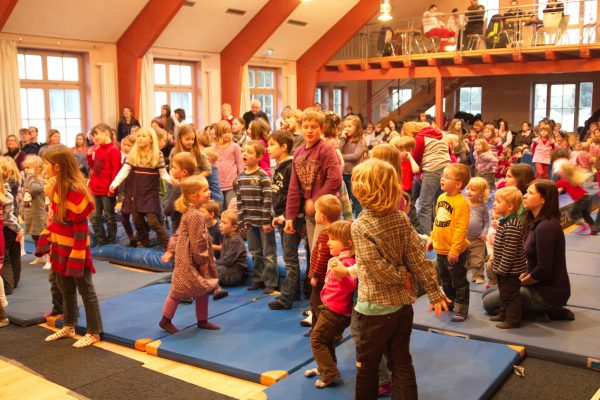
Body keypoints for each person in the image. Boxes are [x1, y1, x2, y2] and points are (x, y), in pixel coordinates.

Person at [351, 158, 449, 399]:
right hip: (403, 307)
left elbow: (375, 269)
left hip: (374, 309)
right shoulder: (400, 218)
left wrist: (400, 275)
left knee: (367, 367)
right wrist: (434, 292)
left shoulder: (361, 225)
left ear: (362, 192)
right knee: (401, 362)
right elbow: (420, 260)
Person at [37, 146, 103, 347]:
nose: (43, 168)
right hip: (60, 247)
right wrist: (48, 234)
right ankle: (69, 325)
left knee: (85, 289)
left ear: (57, 166)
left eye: (45, 164)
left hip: (76, 250)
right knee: (65, 288)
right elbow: (59, 219)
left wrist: (78, 253)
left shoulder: (74, 190)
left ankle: (94, 331)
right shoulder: (57, 187)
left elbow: (80, 226)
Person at [483, 179, 573, 321]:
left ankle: (548, 310)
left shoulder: (547, 227)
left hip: (548, 292)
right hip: (534, 283)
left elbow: (543, 269)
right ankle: (539, 310)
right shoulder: (532, 222)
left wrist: (521, 282)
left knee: (489, 304)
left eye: (530, 193)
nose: (525, 196)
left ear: (543, 199)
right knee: (487, 295)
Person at [159, 175, 220, 333]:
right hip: (190, 259)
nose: (209, 193)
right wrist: (202, 261)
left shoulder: (192, 212)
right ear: (193, 196)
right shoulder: (196, 215)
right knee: (178, 290)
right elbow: (197, 242)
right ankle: (165, 320)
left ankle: (202, 320)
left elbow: (179, 233)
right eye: (205, 190)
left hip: (188, 257)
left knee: (203, 287)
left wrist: (170, 250)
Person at [304, 220, 357, 388]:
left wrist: (341, 273)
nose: (328, 242)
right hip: (329, 307)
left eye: (333, 239)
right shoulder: (339, 259)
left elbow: (350, 286)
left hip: (336, 311)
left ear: (347, 243)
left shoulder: (347, 263)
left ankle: (330, 374)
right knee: (325, 341)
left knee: (317, 339)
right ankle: (326, 367)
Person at [285, 108, 343, 252]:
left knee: (324, 253)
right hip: (311, 213)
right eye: (306, 127)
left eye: (314, 127)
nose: (309, 131)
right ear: (301, 127)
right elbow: (293, 187)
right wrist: (290, 216)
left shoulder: (326, 149)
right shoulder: (298, 152)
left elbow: (335, 179)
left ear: (322, 128)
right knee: (314, 253)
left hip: (326, 210)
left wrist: (316, 200)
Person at [109, 127, 172, 248]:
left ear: (151, 140)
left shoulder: (157, 155)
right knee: (137, 219)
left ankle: (167, 243)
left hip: (151, 193)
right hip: (138, 193)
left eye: (144, 136)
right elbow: (125, 170)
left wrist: (171, 181)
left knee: (152, 221)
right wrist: (115, 183)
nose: (140, 138)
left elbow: (163, 173)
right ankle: (145, 242)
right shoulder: (134, 155)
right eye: (139, 136)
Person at [428, 163, 471, 322]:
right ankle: (451, 301)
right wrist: (432, 238)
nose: (442, 179)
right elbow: (437, 221)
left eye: (447, 177)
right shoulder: (441, 198)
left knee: (458, 280)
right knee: (445, 278)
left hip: (455, 250)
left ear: (458, 183)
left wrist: (455, 250)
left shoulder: (461, 203)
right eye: (442, 176)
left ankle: (461, 307)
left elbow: (461, 229)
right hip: (441, 249)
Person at [237, 140, 278, 294]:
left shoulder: (263, 177)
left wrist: (266, 221)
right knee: (255, 251)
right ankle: (258, 279)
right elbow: (240, 200)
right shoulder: (241, 177)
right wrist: (241, 221)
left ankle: (270, 282)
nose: (245, 154)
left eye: (249, 152)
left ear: (260, 156)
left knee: (268, 252)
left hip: (263, 222)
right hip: (250, 221)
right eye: (243, 151)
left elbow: (268, 200)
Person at [268, 131, 302, 310]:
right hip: (282, 217)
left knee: (290, 259)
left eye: (272, 145)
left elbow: (293, 194)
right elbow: (279, 194)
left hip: (290, 219)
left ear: (283, 147)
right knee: (290, 256)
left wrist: (286, 215)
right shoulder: (280, 167)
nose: (268, 148)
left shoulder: (289, 167)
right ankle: (294, 292)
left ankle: (286, 297)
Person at [490, 187, 527, 329]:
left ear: (510, 206)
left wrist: (502, 269)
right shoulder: (505, 222)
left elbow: (509, 252)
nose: (495, 204)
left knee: (511, 295)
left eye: (498, 201)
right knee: (503, 292)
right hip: (502, 268)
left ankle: (513, 319)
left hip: (509, 270)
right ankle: (503, 313)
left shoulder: (512, 225)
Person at [308, 194, 342, 330]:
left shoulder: (324, 235)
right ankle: (317, 328)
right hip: (330, 278)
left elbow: (322, 258)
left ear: (322, 217)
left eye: (316, 212)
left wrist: (315, 276)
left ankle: (319, 330)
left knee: (316, 304)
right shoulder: (337, 232)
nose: (315, 214)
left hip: (321, 279)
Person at [412, 124, 452, 235]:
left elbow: (415, 157)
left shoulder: (420, 137)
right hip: (447, 169)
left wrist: (421, 171)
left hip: (432, 169)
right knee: (441, 204)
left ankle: (426, 237)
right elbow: (449, 152)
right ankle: (440, 233)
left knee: (424, 205)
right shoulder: (443, 135)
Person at [87, 123, 121, 246]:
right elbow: (95, 168)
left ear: (106, 133)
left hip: (107, 190)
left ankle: (111, 240)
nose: (94, 137)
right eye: (93, 135)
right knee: (94, 217)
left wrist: (113, 189)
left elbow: (116, 171)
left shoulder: (114, 150)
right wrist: (90, 157)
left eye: (97, 134)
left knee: (109, 216)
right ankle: (101, 240)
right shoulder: (98, 149)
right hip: (95, 188)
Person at [1, 160, 24, 295]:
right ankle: (12, 283)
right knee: (12, 257)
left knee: (9, 257)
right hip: (9, 228)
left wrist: (18, 229)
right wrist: (19, 229)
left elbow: (8, 217)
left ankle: (10, 284)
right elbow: (9, 217)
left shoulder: (6, 192)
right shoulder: (6, 192)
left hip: (7, 228)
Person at [21, 155, 49, 267]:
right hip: (31, 212)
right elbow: (25, 194)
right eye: (25, 167)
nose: (26, 170)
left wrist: (30, 176)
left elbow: (34, 189)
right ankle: (40, 256)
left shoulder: (41, 180)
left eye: (29, 167)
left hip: (40, 212)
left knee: (43, 236)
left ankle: (48, 258)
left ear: (37, 168)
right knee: (35, 235)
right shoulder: (29, 179)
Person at [555, 162, 597, 235]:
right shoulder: (573, 178)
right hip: (587, 197)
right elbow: (565, 187)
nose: (559, 173)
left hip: (581, 200)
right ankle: (594, 229)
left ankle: (582, 223)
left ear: (564, 173)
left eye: (560, 171)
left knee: (573, 213)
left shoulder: (563, 181)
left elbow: (553, 186)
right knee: (586, 215)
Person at [339, 115, 367, 218]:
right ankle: (347, 219)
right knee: (345, 199)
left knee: (355, 198)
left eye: (350, 126)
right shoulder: (344, 139)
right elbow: (338, 149)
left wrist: (340, 156)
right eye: (345, 126)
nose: (347, 129)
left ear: (357, 127)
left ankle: (360, 218)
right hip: (344, 173)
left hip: (354, 173)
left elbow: (355, 156)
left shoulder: (360, 140)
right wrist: (342, 138)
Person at [465, 177, 490, 284]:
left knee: (477, 258)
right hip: (464, 238)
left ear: (481, 193)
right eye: (468, 188)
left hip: (478, 238)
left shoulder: (482, 207)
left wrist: (484, 233)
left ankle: (478, 275)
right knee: (466, 258)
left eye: (473, 190)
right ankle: (468, 271)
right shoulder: (464, 203)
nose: (469, 192)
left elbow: (486, 222)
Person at [215, 120, 243, 211]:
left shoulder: (234, 146)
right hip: (218, 185)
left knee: (231, 208)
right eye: (224, 132)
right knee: (220, 210)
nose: (227, 135)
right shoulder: (213, 148)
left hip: (231, 184)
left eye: (228, 132)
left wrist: (241, 179)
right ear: (219, 133)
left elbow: (240, 163)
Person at [165, 152, 197, 234]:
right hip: (194, 224)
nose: (172, 169)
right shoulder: (196, 183)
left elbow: (168, 210)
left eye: (174, 167)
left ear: (184, 172)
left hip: (180, 226)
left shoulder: (180, 188)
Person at [215, 210, 247, 289]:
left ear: (234, 227)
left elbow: (227, 262)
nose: (220, 225)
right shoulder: (226, 236)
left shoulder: (235, 240)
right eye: (221, 222)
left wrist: (212, 263)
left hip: (234, 274)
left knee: (217, 269)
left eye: (224, 223)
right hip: (227, 269)